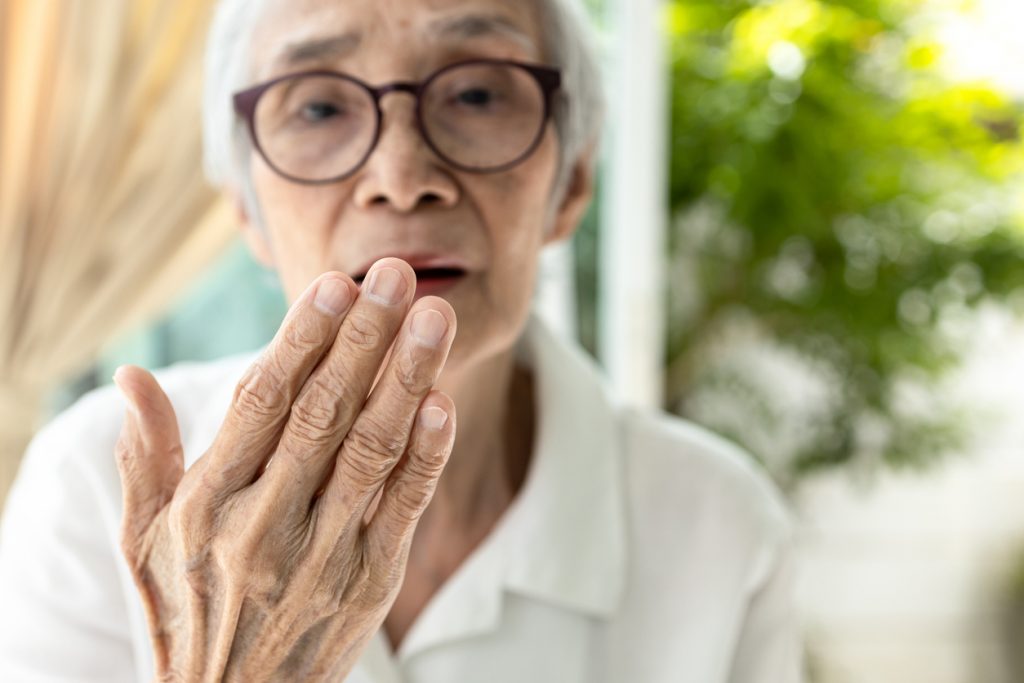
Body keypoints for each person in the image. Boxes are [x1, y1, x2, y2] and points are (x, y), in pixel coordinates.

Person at [0, 0, 802, 680]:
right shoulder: (92, 484)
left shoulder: (719, 525)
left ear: (574, 182)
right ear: (246, 208)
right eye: (317, 106)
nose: (402, 171)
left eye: (479, 94)